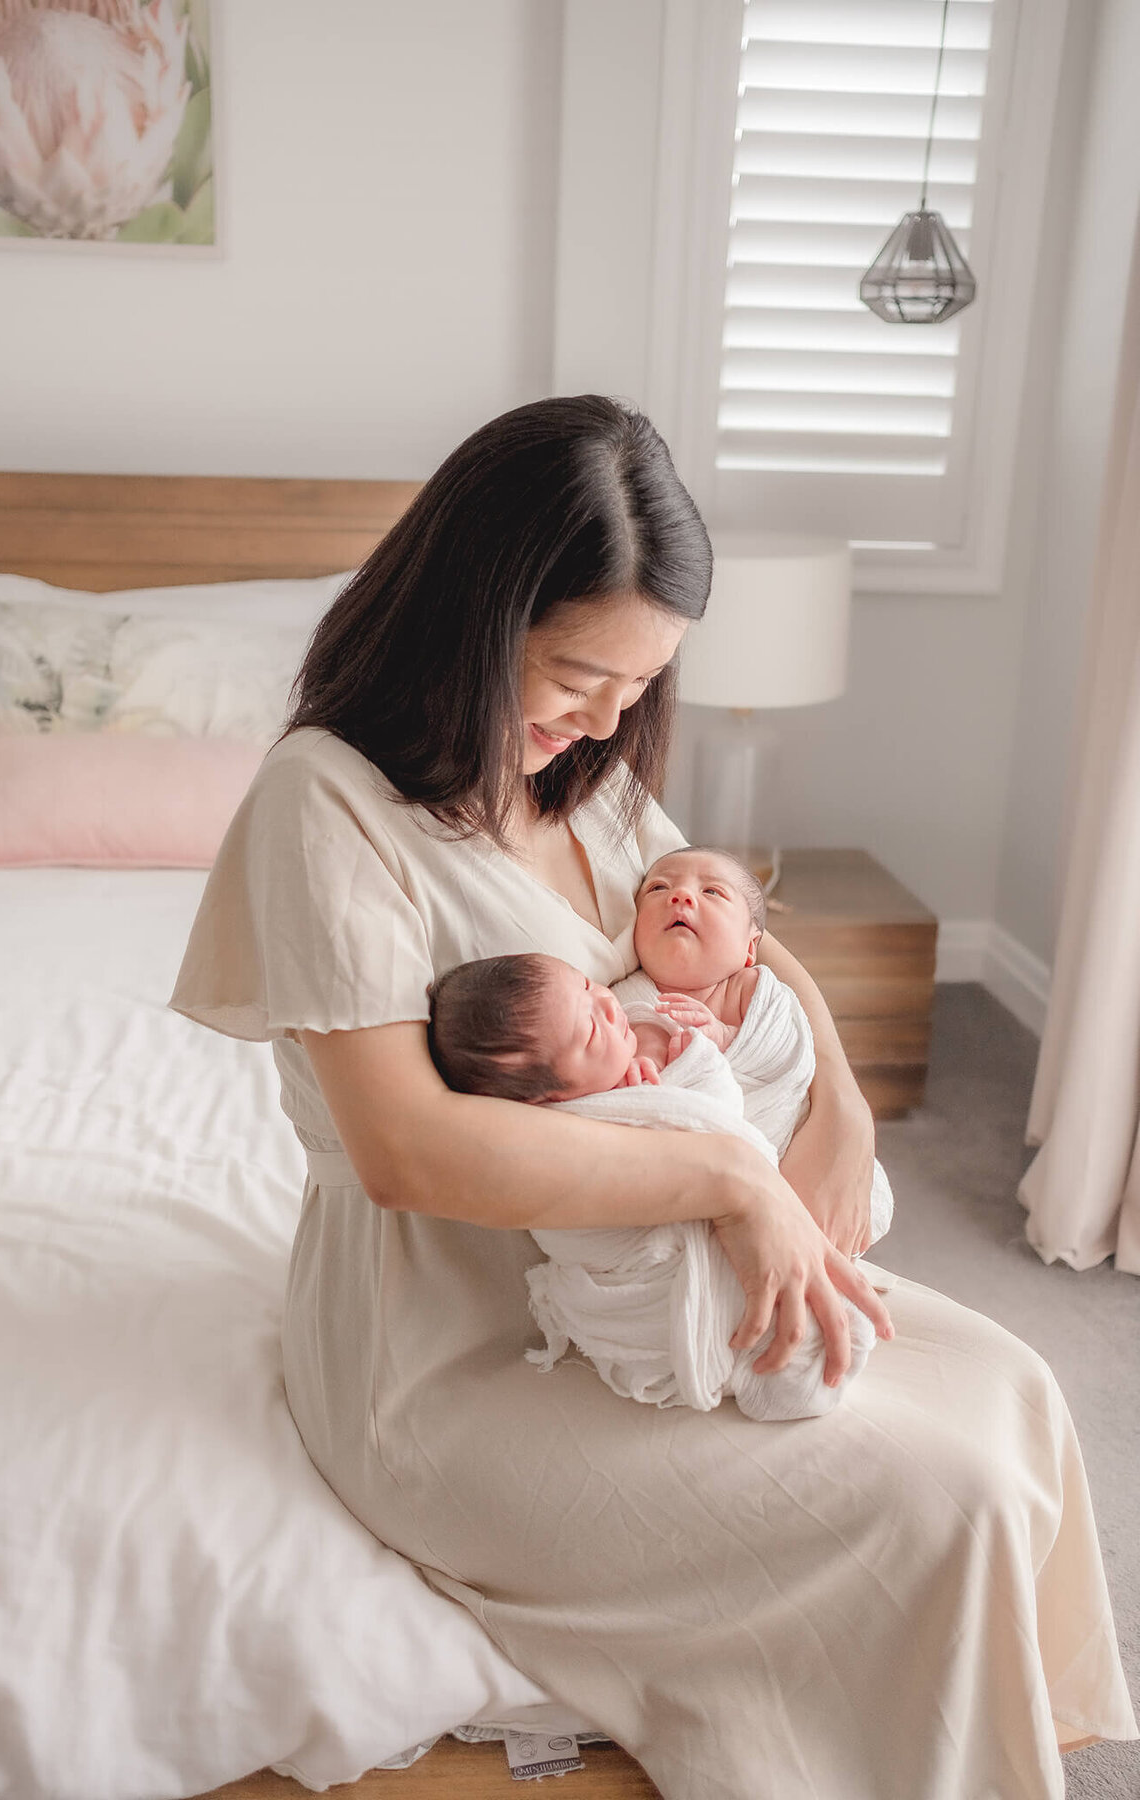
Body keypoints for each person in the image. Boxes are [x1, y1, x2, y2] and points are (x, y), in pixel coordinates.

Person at [170, 396, 1137, 1799]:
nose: (611, 717)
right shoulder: (324, 806)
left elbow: (744, 940)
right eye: (580, 672)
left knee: (1017, 1390)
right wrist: (736, 1182)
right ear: (472, 615)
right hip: (453, 1341)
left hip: (653, 1268)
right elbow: (406, 1149)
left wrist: (843, 1115)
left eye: (641, 682)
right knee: (942, 1498)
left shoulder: (592, 787)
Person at [427, 943, 894, 1422]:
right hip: (653, 1272)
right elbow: (719, 1117)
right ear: (548, 1098)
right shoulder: (565, 1131)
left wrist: (685, 1062)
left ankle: (768, 1350)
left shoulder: (640, 1058)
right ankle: (757, 1358)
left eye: (589, 987)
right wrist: (677, 1089)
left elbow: (725, 1110)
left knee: (830, 1294)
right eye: (591, 1030)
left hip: (720, 1213)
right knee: (828, 1329)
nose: (609, 1005)